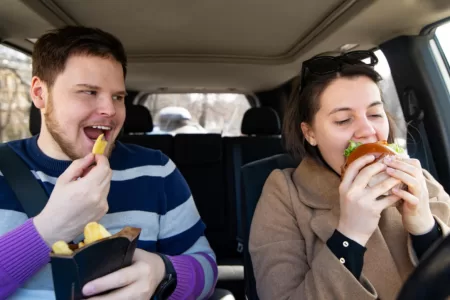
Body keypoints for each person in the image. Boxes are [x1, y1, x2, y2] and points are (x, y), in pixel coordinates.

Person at [0, 26, 218, 300]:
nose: (110, 110)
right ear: (40, 94)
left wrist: (165, 274)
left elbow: (208, 269)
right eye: (88, 92)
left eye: (118, 97)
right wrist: (47, 230)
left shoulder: (156, 170)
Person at [248, 51, 450, 300]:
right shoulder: (284, 194)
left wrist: (426, 229)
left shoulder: (420, 180)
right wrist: (349, 236)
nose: (368, 131)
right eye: (344, 120)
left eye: (375, 114)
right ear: (310, 132)